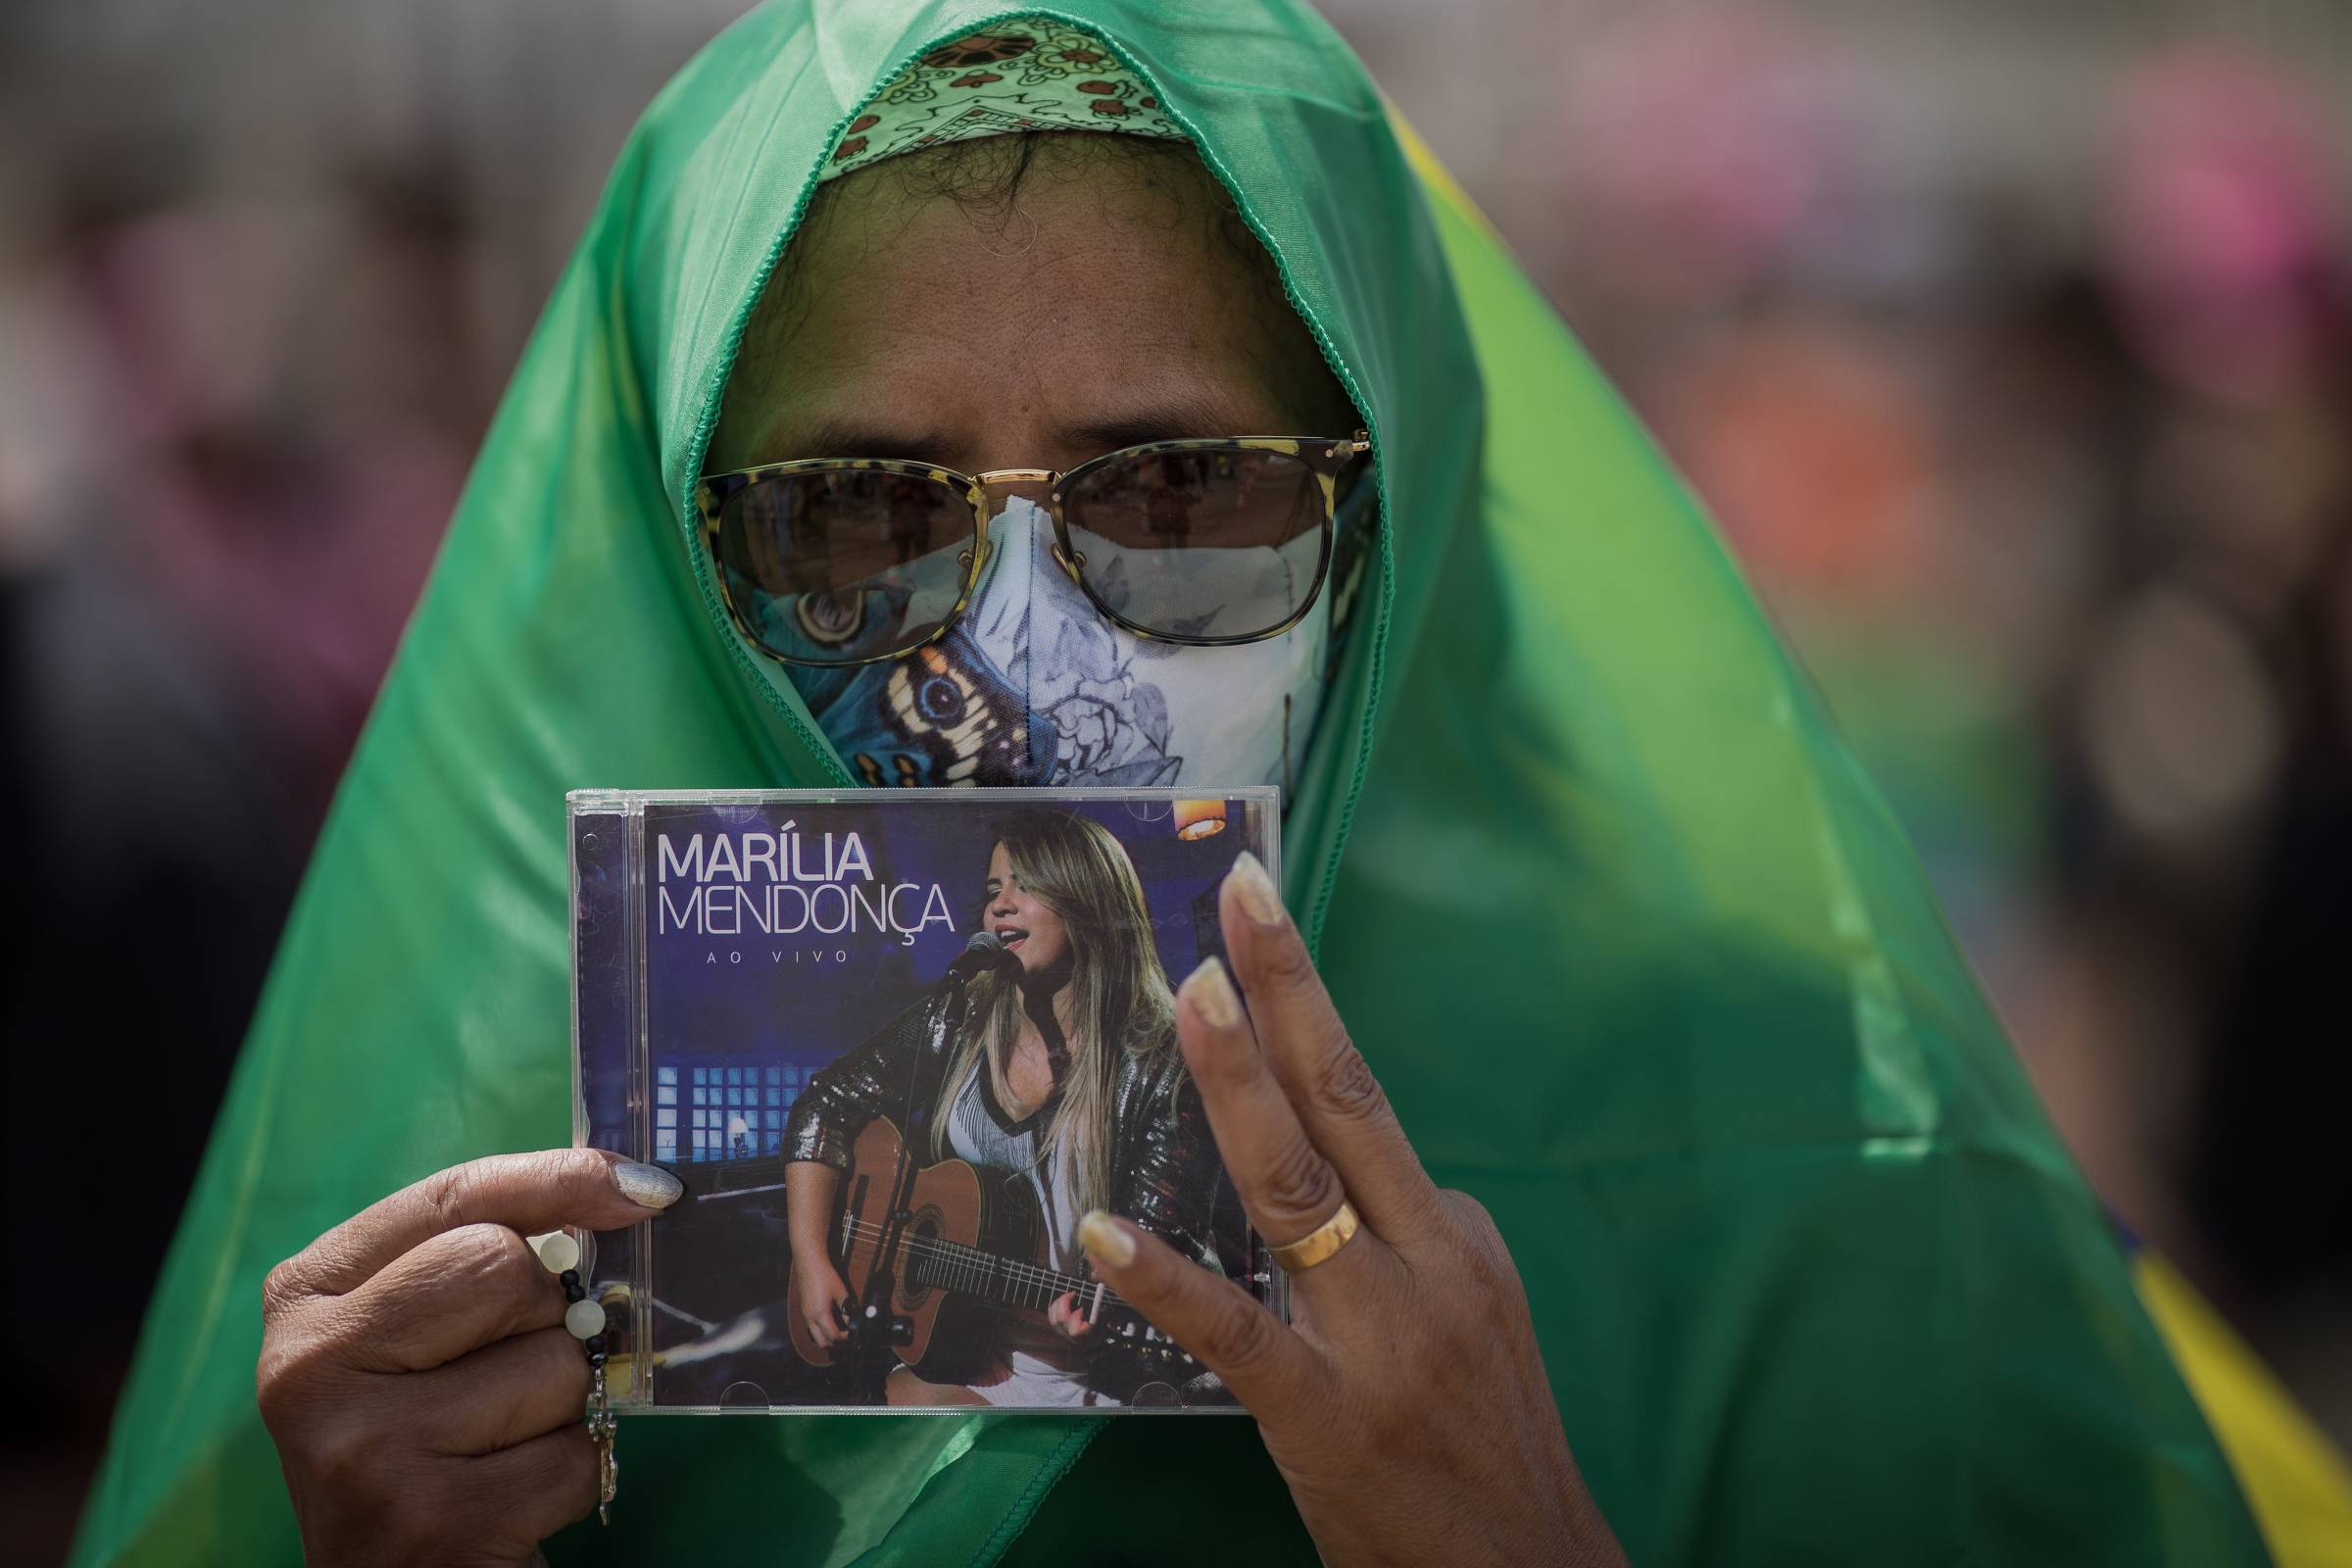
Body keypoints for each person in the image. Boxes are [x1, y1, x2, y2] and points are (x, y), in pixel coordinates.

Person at [74, 4, 2271, 1566]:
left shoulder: (1826, 1173)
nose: (1019, 657)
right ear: (686, 542)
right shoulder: (493, 1242)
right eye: (857, 511)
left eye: (1184, 483)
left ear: (1387, 512)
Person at [780, 809, 1231, 1407]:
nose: (1000, 906)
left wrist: (1109, 1302)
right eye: (994, 891)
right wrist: (812, 1259)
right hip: (970, 1359)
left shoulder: (1166, 1061)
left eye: (1028, 886)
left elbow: (1155, 1249)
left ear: (1090, 902)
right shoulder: (960, 1018)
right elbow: (825, 1106)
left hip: (1113, 1379)